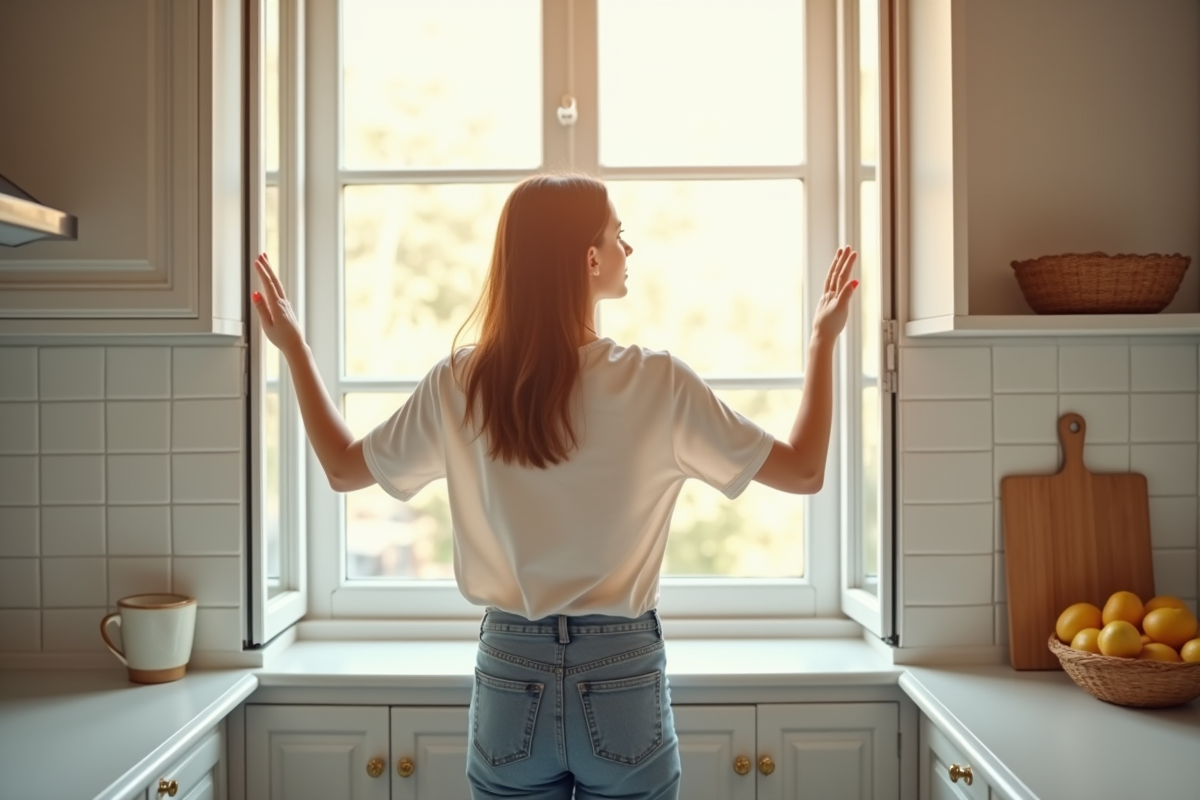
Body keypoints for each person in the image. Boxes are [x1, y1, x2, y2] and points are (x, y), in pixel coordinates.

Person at [251, 173, 857, 800]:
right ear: (590, 258)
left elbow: (344, 468)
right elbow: (805, 471)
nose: (630, 250)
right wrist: (823, 341)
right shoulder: (658, 383)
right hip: (622, 668)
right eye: (619, 236)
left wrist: (293, 346)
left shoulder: (462, 381)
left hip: (512, 670)